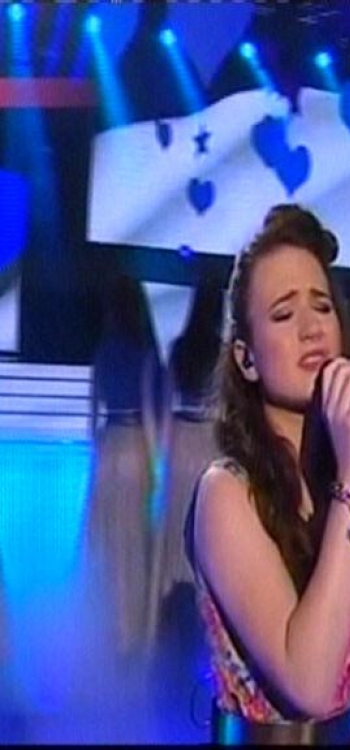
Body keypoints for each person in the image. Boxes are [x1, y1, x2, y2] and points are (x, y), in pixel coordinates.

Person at [187, 204, 350, 745]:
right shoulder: (227, 493)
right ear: (247, 359)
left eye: (322, 307)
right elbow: (305, 685)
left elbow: (331, 680)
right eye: (284, 315)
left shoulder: (335, 480)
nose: (312, 329)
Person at [146, 277, 224, 740]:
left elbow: (164, 403)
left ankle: (169, 651)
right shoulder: (223, 352)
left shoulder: (179, 348)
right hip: (210, 444)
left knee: (177, 536)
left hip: (180, 445)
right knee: (204, 542)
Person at [83, 272, 162, 660]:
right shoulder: (145, 354)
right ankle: (131, 634)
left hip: (108, 448)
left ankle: (101, 629)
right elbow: (149, 414)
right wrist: (156, 466)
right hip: (134, 446)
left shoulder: (103, 351)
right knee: (133, 546)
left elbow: (92, 414)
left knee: (106, 544)